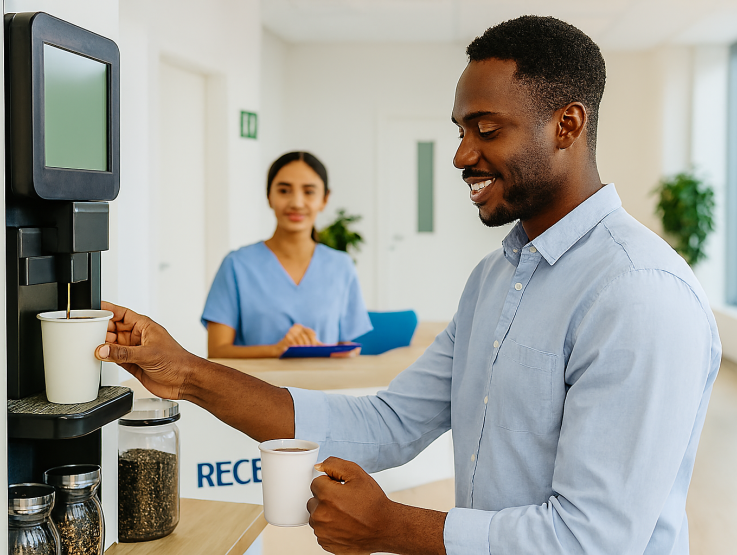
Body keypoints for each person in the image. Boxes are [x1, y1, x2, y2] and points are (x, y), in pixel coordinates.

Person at [97, 16, 720, 555]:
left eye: (486, 129)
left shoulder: (640, 294)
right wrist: (185, 372)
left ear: (567, 124)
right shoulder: (495, 278)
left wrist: (393, 526)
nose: (460, 155)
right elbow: (388, 423)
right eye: (460, 130)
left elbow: (592, 540)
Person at [202, 151, 372, 358]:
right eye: (284, 191)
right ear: (269, 197)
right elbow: (217, 352)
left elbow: (349, 346)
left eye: (309, 192)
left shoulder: (341, 266)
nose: (297, 203)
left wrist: (344, 353)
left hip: (325, 387)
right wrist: (276, 351)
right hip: (255, 388)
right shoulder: (236, 265)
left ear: (324, 199)